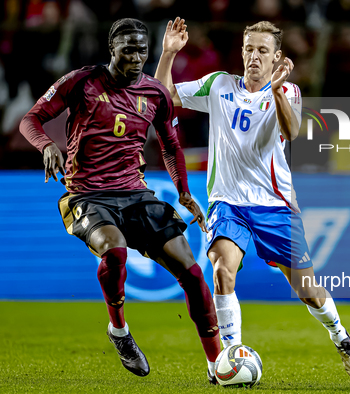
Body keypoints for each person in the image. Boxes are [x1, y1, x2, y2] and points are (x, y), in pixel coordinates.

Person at [155, 18, 350, 379]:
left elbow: (292, 131)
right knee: (222, 271)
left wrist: (278, 90)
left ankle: (340, 335)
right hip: (228, 203)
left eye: (262, 51)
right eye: (249, 49)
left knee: (308, 290)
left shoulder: (290, 92)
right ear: (242, 51)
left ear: (276, 57)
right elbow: (162, 98)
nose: (254, 56)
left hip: (275, 206)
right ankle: (231, 354)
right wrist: (168, 54)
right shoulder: (219, 85)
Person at [19, 18, 221, 381]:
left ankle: (217, 364)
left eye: (142, 49)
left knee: (192, 272)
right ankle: (119, 331)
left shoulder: (155, 94)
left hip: (135, 194)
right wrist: (46, 144)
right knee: (114, 250)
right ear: (112, 48)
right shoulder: (81, 81)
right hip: (87, 195)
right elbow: (30, 120)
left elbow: (171, 146)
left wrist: (185, 193)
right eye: (128, 48)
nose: (136, 56)